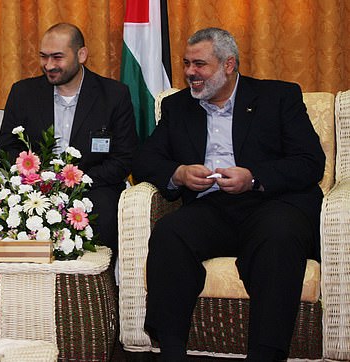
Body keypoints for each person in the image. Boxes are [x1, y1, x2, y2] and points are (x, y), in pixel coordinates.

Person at [132, 27, 325, 361]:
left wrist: (254, 178)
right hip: (214, 207)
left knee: (279, 236)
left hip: (271, 202)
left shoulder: (278, 98)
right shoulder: (178, 106)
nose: (190, 72)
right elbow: (146, 159)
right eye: (186, 63)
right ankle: (171, 349)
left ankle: (265, 352)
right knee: (169, 233)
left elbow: (310, 162)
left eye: (200, 64)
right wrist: (178, 174)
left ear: (229, 65)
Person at [0, 23, 138, 255]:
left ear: (81, 55)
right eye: (43, 57)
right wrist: (39, 180)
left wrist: (75, 181)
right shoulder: (23, 93)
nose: (49, 65)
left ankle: (98, 287)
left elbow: (124, 158)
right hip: (36, 190)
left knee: (105, 211)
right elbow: (5, 150)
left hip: (94, 186)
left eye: (57, 57)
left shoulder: (113, 95)